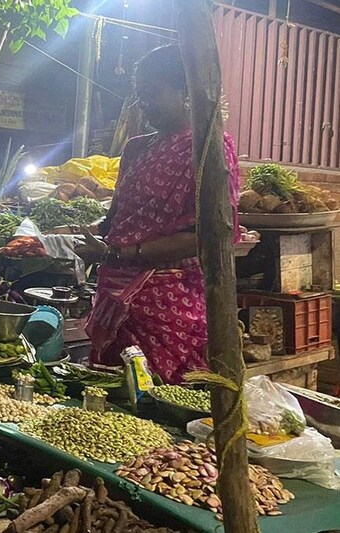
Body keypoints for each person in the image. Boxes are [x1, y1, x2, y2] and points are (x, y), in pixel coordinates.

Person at [75, 45, 240, 384]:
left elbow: (206, 233)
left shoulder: (208, 148)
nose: (143, 104)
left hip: (169, 303)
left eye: (151, 94)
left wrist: (116, 252)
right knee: (108, 387)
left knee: (159, 396)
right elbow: (118, 217)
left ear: (186, 93)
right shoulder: (136, 147)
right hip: (116, 292)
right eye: (139, 95)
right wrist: (83, 234)